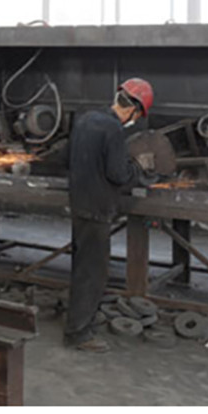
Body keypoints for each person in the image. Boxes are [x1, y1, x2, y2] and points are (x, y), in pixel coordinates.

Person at [64, 77, 155, 353]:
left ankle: (80, 322)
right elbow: (118, 174)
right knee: (92, 274)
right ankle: (78, 334)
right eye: (138, 115)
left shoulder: (85, 119)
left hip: (79, 204)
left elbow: (66, 157)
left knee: (82, 268)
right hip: (98, 209)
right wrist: (139, 169)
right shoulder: (113, 129)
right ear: (134, 109)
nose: (135, 120)